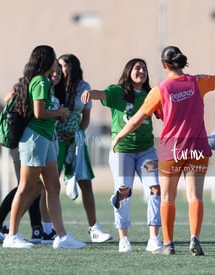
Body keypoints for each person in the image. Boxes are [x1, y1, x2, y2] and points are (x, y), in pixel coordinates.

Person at [110, 46, 215, 256]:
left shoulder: (160, 89)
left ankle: (168, 244)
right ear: (182, 62)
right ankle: (194, 237)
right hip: (197, 149)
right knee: (195, 197)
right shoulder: (197, 82)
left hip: (172, 151)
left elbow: (137, 118)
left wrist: (120, 135)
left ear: (164, 65)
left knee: (167, 197)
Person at [2, 45, 86, 249]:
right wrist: (59, 113)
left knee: (53, 186)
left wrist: (57, 112)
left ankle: (62, 237)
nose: (57, 62)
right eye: (54, 58)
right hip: (35, 139)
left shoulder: (45, 81)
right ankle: (11, 236)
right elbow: (39, 113)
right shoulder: (40, 81)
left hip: (46, 138)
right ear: (46, 60)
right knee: (26, 188)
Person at [81, 58, 162, 252]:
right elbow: (100, 94)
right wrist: (89, 93)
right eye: (137, 68)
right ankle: (123, 239)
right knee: (124, 192)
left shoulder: (150, 95)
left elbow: (165, 113)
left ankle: (154, 239)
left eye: (144, 68)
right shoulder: (117, 92)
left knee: (155, 189)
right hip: (122, 152)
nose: (141, 71)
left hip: (147, 151)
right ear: (128, 71)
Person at [55, 54, 112, 243]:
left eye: (63, 66)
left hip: (76, 140)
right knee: (49, 185)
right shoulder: (54, 85)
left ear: (72, 67)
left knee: (86, 183)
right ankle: (47, 228)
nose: (60, 69)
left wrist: (77, 132)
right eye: (58, 66)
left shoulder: (83, 87)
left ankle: (94, 229)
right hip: (55, 140)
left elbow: (86, 118)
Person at [0, 85, 43, 243]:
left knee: (35, 185)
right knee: (25, 186)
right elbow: (7, 98)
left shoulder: (45, 86)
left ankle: (37, 228)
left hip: (34, 142)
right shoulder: (30, 86)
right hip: (21, 143)